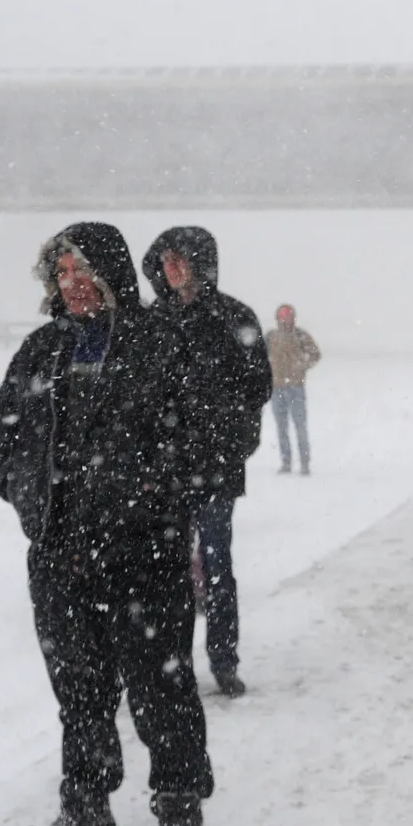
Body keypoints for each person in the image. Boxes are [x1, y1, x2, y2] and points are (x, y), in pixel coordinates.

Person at [0, 222, 214, 826]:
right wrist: (35, 507)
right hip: (60, 555)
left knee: (159, 686)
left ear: (111, 275)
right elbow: (5, 440)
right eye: (62, 275)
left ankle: (177, 804)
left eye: (84, 274)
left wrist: (147, 498)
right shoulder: (41, 351)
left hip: (144, 553)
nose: (73, 286)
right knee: (79, 690)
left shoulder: (158, 344)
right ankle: (85, 802)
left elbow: (198, 437)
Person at [141, 226, 273, 698]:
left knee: (217, 565)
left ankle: (223, 659)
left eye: (182, 260)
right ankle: (171, 664)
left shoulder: (233, 318)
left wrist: (228, 440)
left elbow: (258, 388)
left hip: (215, 469)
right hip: (161, 474)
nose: (173, 269)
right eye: (167, 261)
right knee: (166, 573)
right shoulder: (149, 322)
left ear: (200, 263)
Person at [265, 304, 322, 475]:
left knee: (300, 426)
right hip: (277, 389)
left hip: (296, 388)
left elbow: (315, 354)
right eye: (282, 315)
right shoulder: (271, 337)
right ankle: (286, 462)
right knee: (281, 428)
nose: (285, 319)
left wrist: (302, 366)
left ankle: (304, 463)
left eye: (288, 315)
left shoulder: (300, 335)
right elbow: (259, 356)